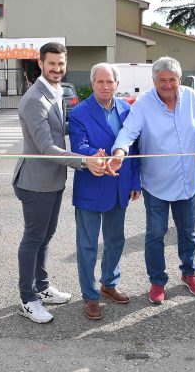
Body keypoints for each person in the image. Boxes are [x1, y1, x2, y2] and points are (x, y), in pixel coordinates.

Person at [13, 42, 106, 324]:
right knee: (33, 238)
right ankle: (27, 298)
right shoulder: (34, 99)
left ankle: (42, 287)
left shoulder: (55, 91)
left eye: (61, 64)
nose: (57, 69)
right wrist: (84, 161)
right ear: (40, 64)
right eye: (51, 63)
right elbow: (46, 147)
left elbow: (60, 128)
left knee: (45, 236)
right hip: (35, 182)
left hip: (52, 180)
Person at [111, 56, 195, 304]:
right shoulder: (143, 103)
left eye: (172, 80)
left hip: (187, 182)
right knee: (155, 234)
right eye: (162, 80)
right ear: (154, 80)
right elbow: (128, 132)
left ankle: (189, 273)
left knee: (188, 233)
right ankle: (157, 281)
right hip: (156, 185)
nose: (167, 85)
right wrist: (119, 152)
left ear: (180, 79)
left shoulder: (192, 98)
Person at [68, 63, 141, 321]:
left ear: (117, 84)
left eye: (110, 81)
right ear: (92, 84)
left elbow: (133, 147)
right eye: (100, 81)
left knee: (116, 240)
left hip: (120, 185)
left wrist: (135, 182)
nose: (105, 86)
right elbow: (78, 145)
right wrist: (94, 156)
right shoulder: (79, 112)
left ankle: (109, 283)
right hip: (92, 184)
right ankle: (90, 295)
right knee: (87, 245)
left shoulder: (127, 109)